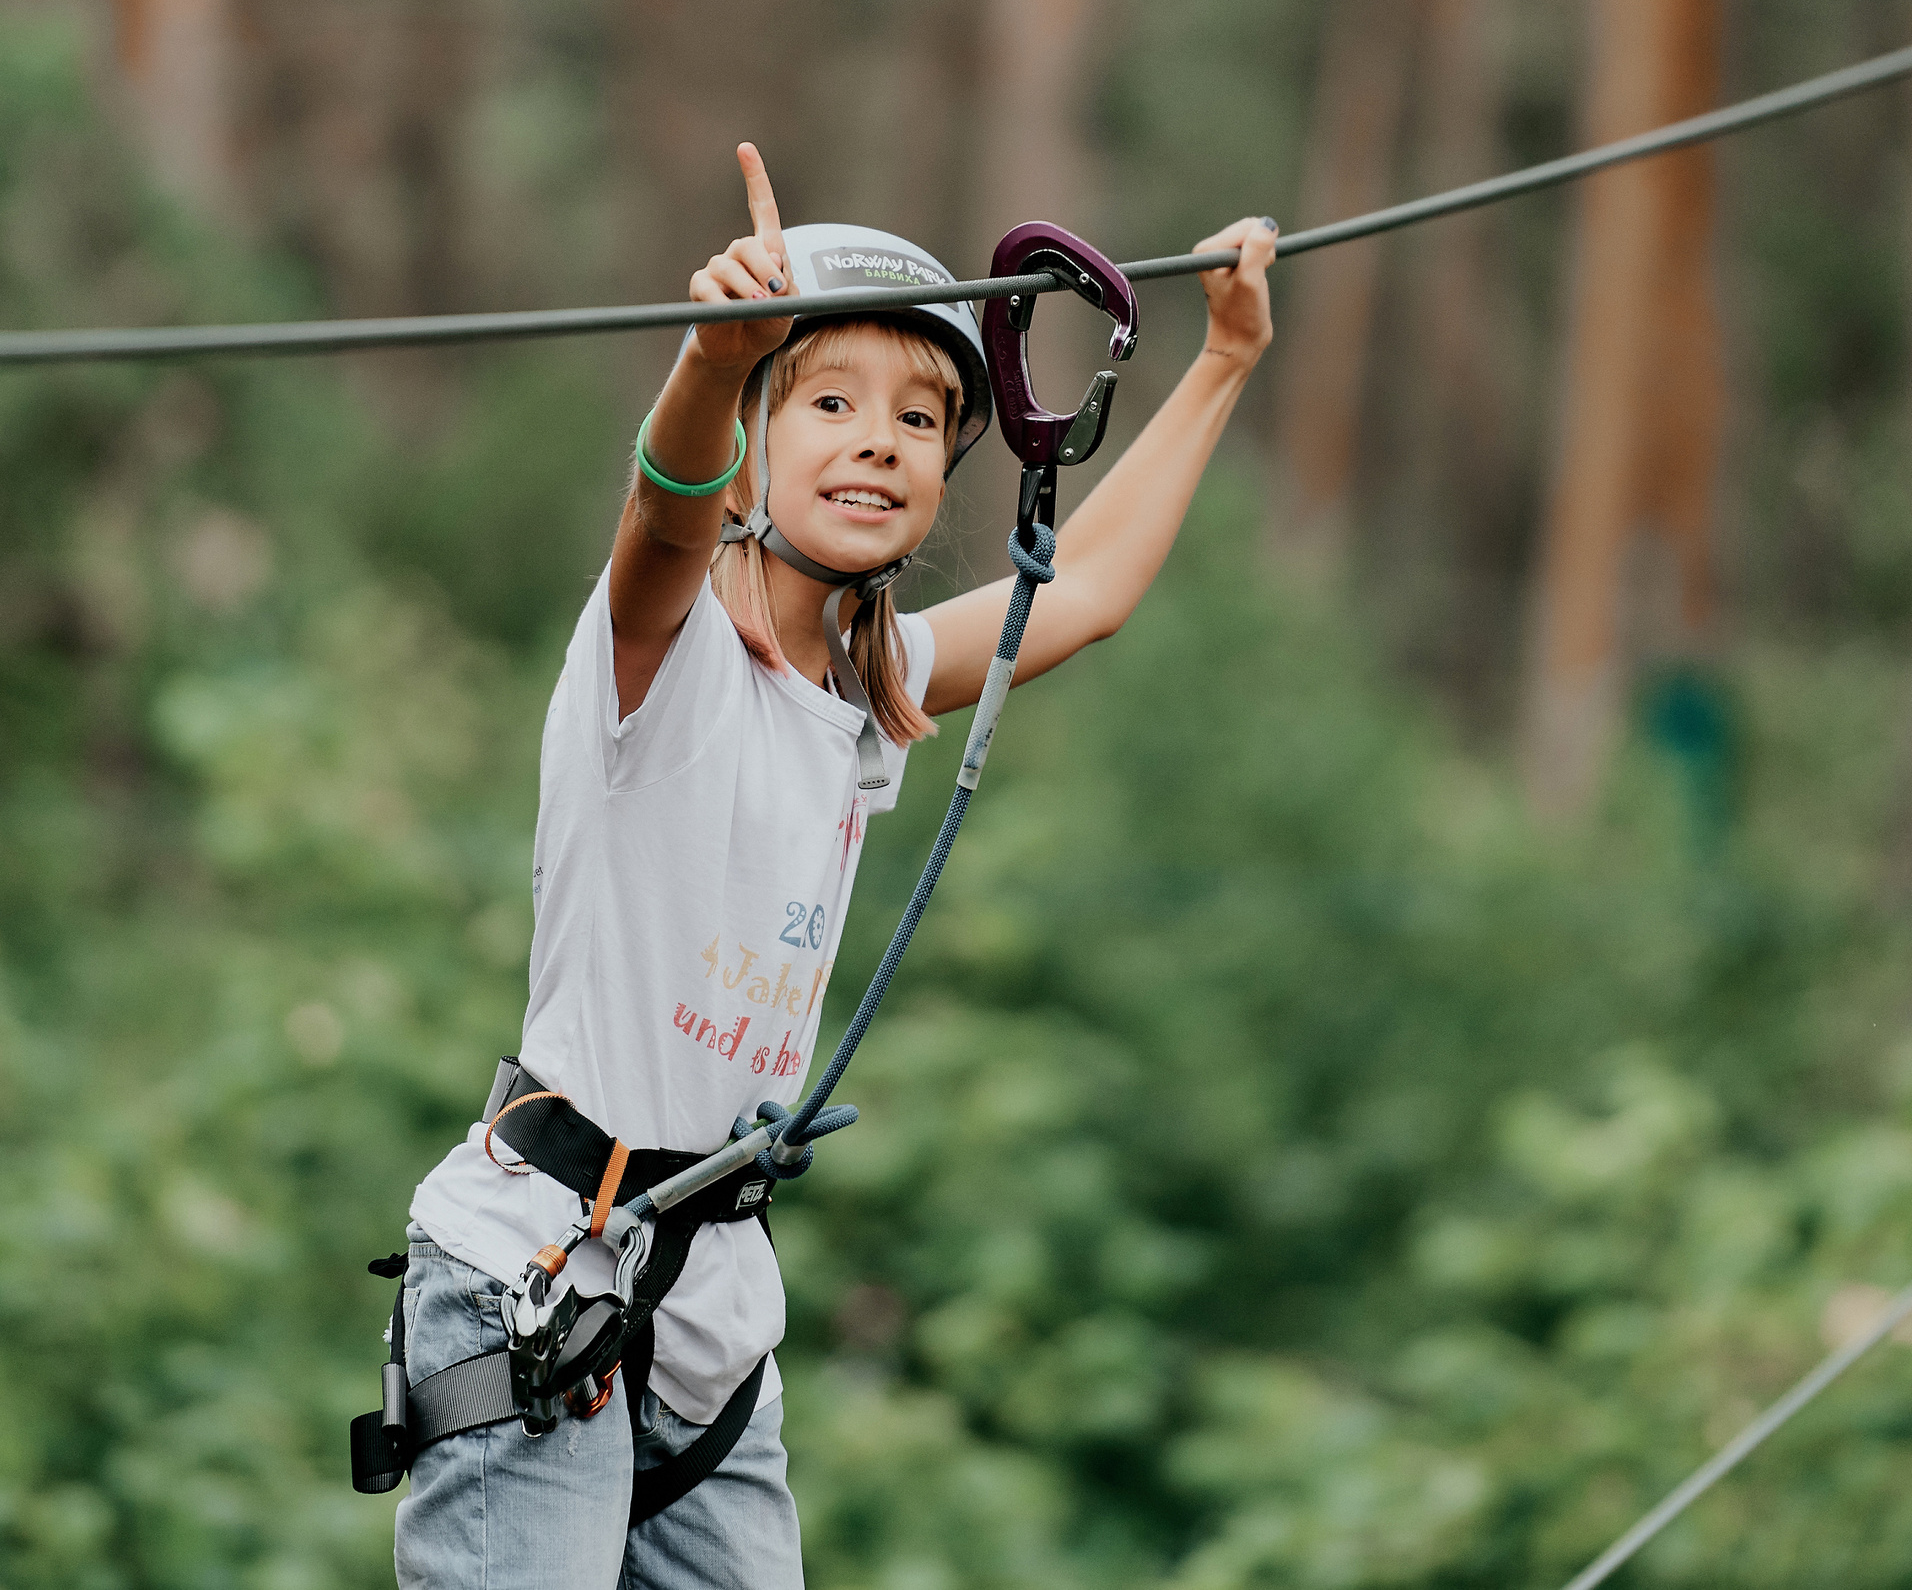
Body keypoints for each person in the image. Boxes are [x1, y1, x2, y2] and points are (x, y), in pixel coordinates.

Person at [391, 142, 1275, 1590]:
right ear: (758, 435)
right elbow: (668, 507)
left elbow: (1090, 589)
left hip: (707, 1317)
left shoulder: (873, 690)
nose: (879, 442)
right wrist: (714, 359)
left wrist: (1225, 361)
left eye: (920, 419)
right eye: (829, 402)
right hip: (536, 1283)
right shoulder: (660, 654)